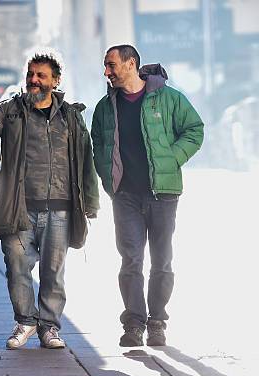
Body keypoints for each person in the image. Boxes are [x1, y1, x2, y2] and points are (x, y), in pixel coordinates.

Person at [0, 51, 99, 349]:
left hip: (61, 208)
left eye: (41, 75)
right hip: (19, 206)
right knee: (17, 264)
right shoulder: (11, 110)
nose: (34, 80)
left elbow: (85, 160)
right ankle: (26, 322)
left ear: (55, 80)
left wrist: (90, 202)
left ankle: (50, 327)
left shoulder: (70, 116)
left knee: (53, 273)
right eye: (30, 74)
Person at [91, 45, 204, 347]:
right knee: (130, 259)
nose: (107, 72)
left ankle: (157, 320)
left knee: (162, 260)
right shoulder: (105, 107)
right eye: (105, 66)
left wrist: (172, 158)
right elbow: (98, 145)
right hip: (125, 195)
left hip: (163, 193)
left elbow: (194, 130)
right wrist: (108, 179)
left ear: (130, 64)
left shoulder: (168, 98)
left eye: (111, 65)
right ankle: (133, 323)